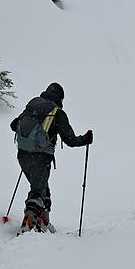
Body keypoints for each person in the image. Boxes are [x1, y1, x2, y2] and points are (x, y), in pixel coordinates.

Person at [10, 82, 93, 233]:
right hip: (41, 158)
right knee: (37, 192)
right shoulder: (57, 113)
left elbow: (13, 125)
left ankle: (43, 222)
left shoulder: (33, 104)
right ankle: (28, 224)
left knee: (43, 189)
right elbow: (70, 140)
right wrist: (86, 139)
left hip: (22, 155)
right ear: (60, 98)